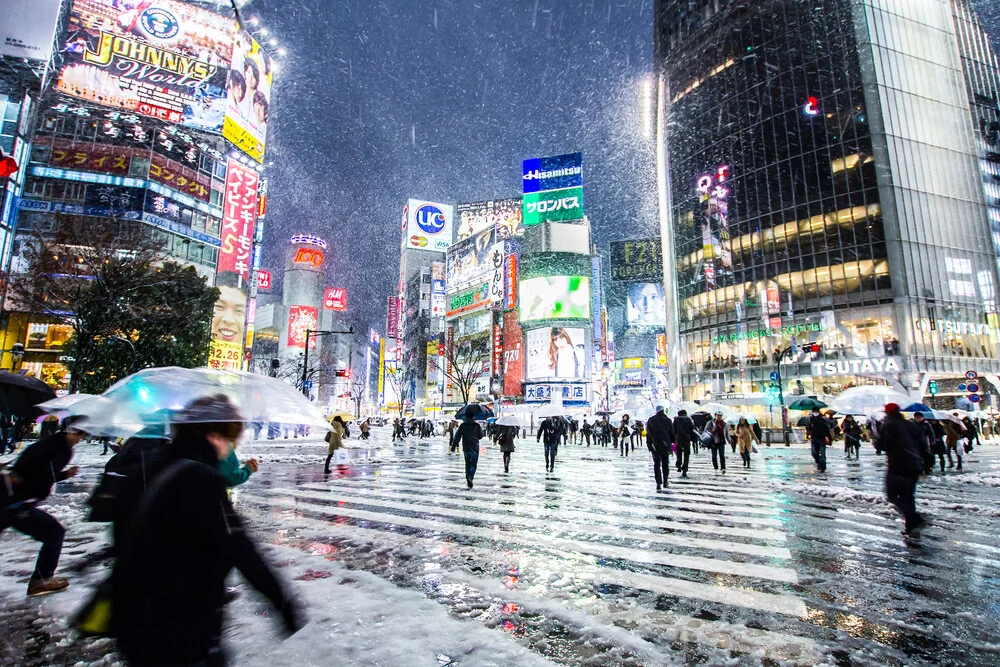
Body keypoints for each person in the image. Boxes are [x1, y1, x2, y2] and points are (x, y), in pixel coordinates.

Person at [113, 395, 303, 665]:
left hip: (131, 619)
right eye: (230, 440)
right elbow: (240, 548)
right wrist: (282, 603)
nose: (230, 449)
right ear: (214, 436)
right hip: (182, 626)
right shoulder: (202, 480)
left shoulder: (149, 467)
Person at [0, 417, 83, 596]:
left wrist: (63, 475)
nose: (81, 439)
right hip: (19, 502)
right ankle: (41, 580)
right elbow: (45, 474)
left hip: (9, 498)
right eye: (81, 434)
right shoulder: (62, 449)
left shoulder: (48, 443)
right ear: (73, 431)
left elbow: (36, 469)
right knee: (55, 533)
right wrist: (62, 475)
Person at [877, 403, 927, 537]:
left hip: (897, 465)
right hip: (914, 464)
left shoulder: (888, 426)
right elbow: (923, 445)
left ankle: (915, 518)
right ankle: (911, 526)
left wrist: (876, 441)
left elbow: (884, 445)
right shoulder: (911, 425)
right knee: (909, 495)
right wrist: (925, 464)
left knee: (892, 495)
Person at [452, 412, 485, 488]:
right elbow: (481, 436)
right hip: (474, 447)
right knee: (473, 464)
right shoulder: (476, 425)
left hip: (466, 447)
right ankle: (471, 476)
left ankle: (468, 477)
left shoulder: (463, 426)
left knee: (467, 463)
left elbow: (457, 436)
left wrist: (453, 446)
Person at [645, 406, 674, 490]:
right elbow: (671, 433)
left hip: (655, 445)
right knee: (665, 463)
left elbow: (648, 433)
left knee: (657, 464)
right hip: (665, 444)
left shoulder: (651, 420)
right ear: (663, 411)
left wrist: (649, 445)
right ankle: (665, 481)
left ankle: (658, 483)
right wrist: (671, 444)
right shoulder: (668, 420)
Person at [806, 407, 831, 472]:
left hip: (821, 438)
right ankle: (819, 462)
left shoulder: (823, 419)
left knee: (822, 454)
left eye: (816, 411)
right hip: (814, 438)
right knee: (814, 453)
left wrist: (829, 438)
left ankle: (823, 466)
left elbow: (827, 430)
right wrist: (808, 432)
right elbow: (808, 428)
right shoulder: (810, 419)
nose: (815, 413)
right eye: (814, 411)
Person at [673, 409, 696, 477]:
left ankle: (679, 464)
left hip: (679, 439)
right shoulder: (688, 419)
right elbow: (692, 429)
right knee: (686, 455)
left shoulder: (676, 419)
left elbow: (673, 429)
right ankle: (685, 470)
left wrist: (674, 439)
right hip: (687, 439)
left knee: (679, 453)